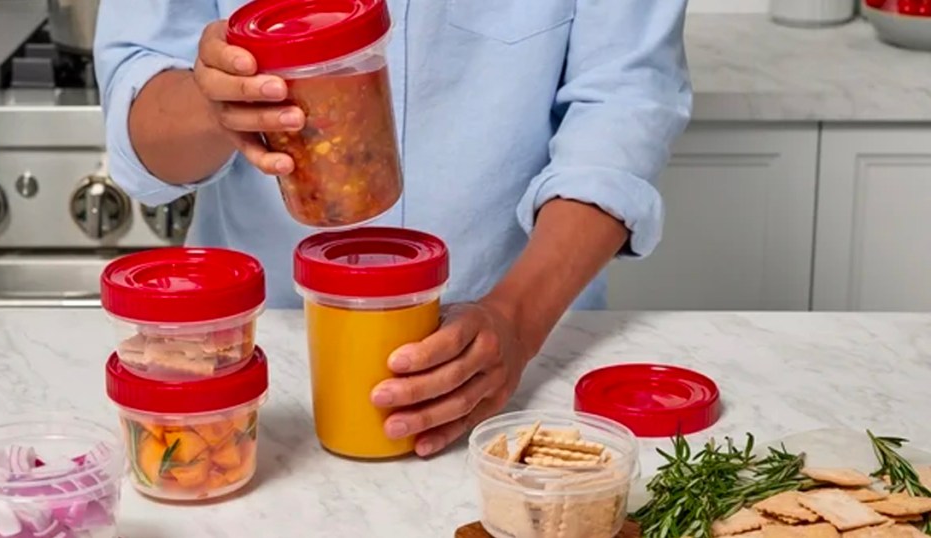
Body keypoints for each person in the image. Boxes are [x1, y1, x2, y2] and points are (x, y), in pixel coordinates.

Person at [94, 0, 692, 457]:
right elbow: (140, 115)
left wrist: (517, 320)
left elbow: (625, 97)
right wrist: (217, 101)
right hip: (259, 374)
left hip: (522, 348)